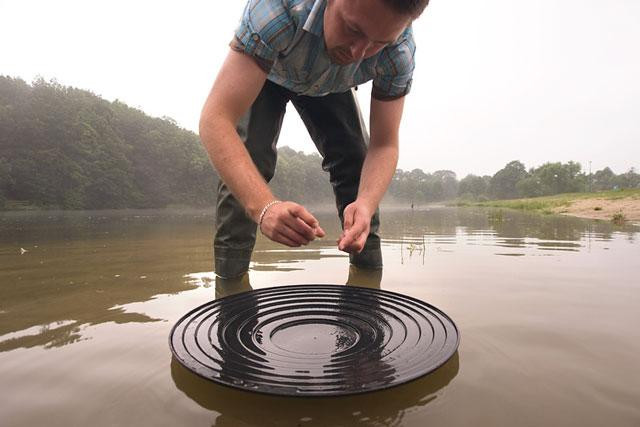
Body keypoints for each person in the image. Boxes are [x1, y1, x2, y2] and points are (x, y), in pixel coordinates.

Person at [199, 0, 429, 278]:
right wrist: (264, 208)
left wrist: (366, 203)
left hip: (332, 84)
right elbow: (215, 119)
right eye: (353, 28)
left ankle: (367, 280)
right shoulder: (276, 13)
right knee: (251, 159)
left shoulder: (399, 50)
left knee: (356, 162)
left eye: (378, 42)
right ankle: (229, 284)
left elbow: (384, 144)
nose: (359, 54)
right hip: (268, 70)